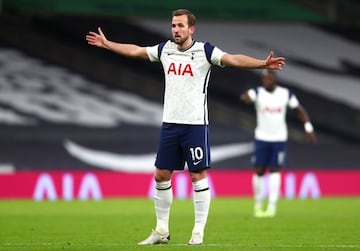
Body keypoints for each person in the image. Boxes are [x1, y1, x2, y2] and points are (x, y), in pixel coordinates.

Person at [86, 9, 285, 245]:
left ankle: (198, 231)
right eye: (173, 26)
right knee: (161, 175)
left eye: (180, 26)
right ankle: (161, 231)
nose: (176, 30)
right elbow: (137, 51)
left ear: (191, 29)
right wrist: (108, 44)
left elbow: (232, 59)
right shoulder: (165, 50)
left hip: (195, 126)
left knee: (197, 176)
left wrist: (262, 63)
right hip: (170, 124)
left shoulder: (205, 51)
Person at [240, 69, 316, 218]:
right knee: (260, 170)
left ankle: (272, 206)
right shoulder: (258, 92)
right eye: (264, 79)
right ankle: (257, 204)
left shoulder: (285, 94)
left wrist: (308, 127)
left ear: (275, 80)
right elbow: (246, 97)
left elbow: (298, 110)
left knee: (275, 169)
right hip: (262, 137)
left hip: (279, 138)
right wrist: (244, 98)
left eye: (268, 79)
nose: (265, 81)